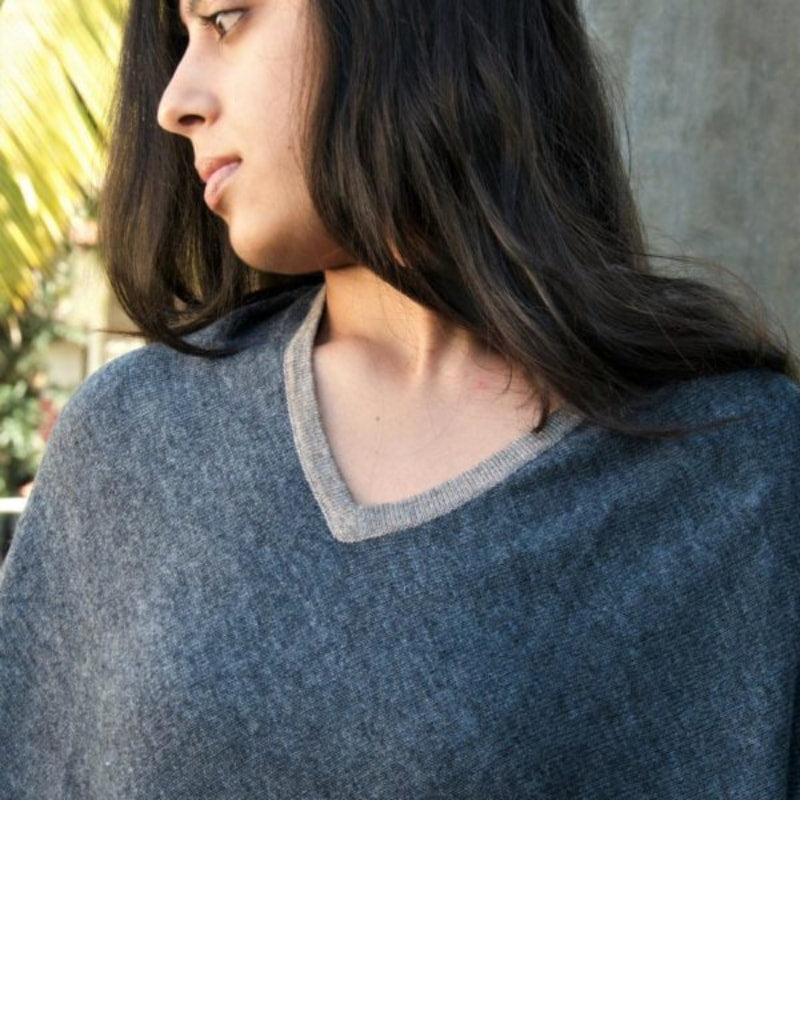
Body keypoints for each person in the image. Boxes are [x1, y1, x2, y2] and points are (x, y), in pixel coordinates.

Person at [0, 0, 798, 799]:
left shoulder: (735, 472)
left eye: (225, 19)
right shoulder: (134, 442)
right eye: (182, 41)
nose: (174, 103)